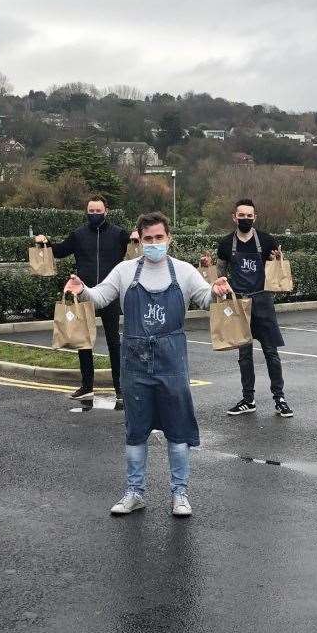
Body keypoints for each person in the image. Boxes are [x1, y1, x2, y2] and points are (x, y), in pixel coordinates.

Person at [65, 212, 230, 518]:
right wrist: (82, 289)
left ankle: (180, 494)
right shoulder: (125, 271)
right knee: (136, 429)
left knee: (177, 431)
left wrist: (217, 290)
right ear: (139, 240)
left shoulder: (183, 271)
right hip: (135, 361)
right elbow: (100, 297)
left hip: (172, 360)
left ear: (169, 238)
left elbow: (205, 299)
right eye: (148, 239)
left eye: (159, 238)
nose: (154, 244)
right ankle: (134, 492)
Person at [35, 196, 129, 407]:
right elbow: (59, 251)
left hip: (110, 293)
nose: (94, 214)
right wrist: (45, 242)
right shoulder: (78, 234)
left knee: (114, 342)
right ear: (86, 211)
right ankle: (87, 387)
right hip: (83, 293)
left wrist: (136, 236)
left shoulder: (118, 234)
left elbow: (135, 250)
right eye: (91, 210)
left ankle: (120, 388)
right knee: (83, 341)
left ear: (107, 211)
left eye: (98, 210)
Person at [205, 199, 294, 418]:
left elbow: (276, 268)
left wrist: (277, 259)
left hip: (263, 302)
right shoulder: (226, 244)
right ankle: (248, 399)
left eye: (249, 215)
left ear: (255, 217)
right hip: (239, 305)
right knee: (244, 355)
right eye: (241, 215)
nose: (245, 219)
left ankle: (280, 398)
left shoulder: (266, 240)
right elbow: (221, 274)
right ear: (234, 217)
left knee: (271, 352)